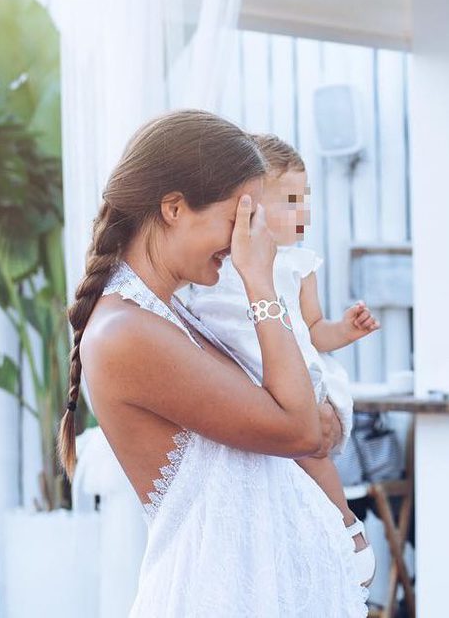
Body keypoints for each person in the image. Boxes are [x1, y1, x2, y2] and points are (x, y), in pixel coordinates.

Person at [61, 109, 367, 617]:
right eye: (238, 218)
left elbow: (303, 420)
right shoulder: (126, 332)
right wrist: (260, 281)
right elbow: (301, 430)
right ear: (174, 208)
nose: (247, 238)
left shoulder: (175, 313)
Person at [184, 133, 380, 586]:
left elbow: (315, 331)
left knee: (310, 451)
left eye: (305, 200)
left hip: (293, 374)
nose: (303, 212)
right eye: (291, 200)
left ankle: (345, 522)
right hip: (244, 381)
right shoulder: (217, 264)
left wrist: (346, 330)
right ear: (249, 206)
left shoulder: (299, 264)